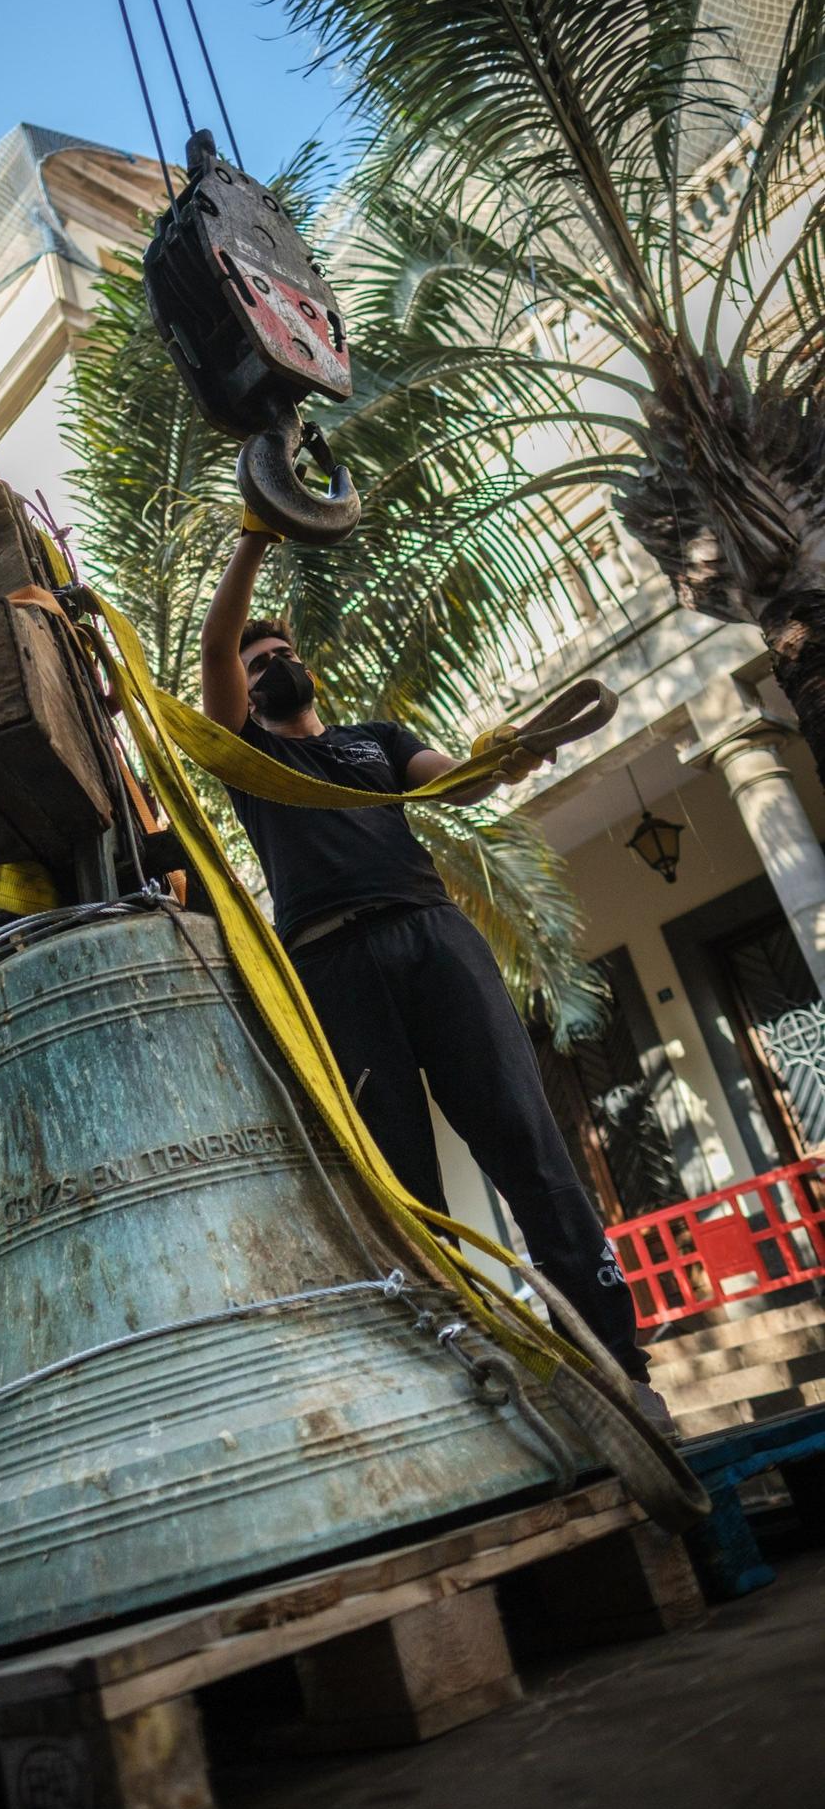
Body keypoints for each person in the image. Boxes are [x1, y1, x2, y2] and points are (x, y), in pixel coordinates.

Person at [201, 525, 674, 1432]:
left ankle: (621, 1367)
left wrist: (513, 753)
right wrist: (255, 538)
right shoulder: (250, 765)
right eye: (255, 664)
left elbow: (454, 786)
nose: (268, 667)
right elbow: (215, 649)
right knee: (401, 1186)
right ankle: (460, 1384)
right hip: (331, 969)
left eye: (281, 653)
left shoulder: (376, 742)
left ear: (307, 670)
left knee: (531, 1153)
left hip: (434, 941)